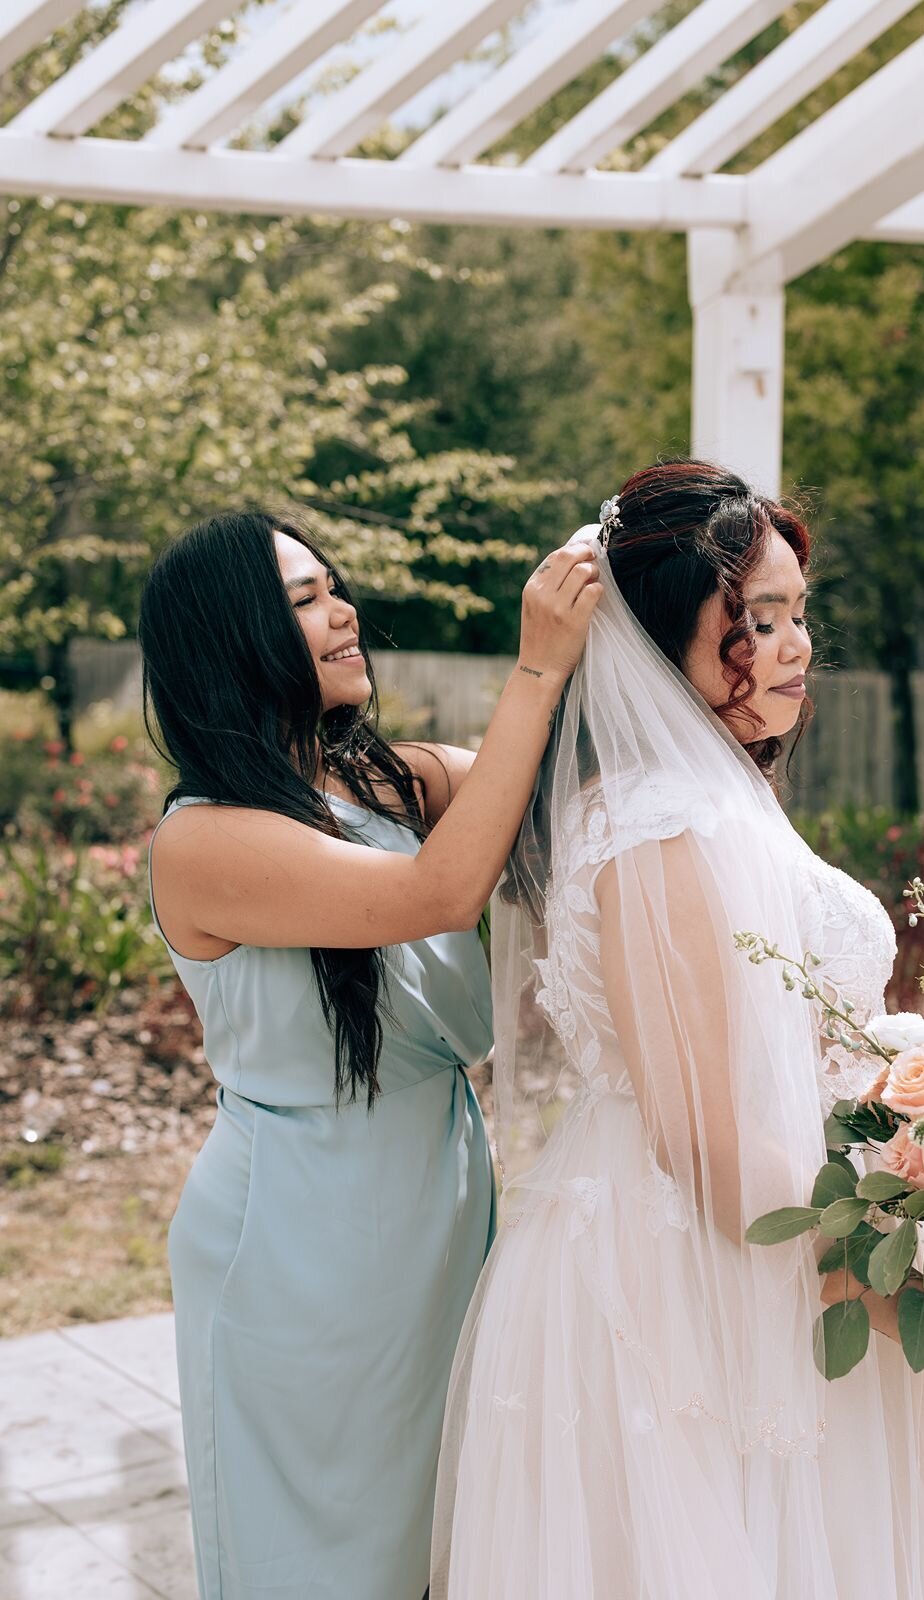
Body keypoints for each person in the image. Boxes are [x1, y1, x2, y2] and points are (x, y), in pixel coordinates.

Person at [431, 461, 924, 1598]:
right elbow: (703, 1141)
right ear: (663, 643)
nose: (791, 646)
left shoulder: (719, 790)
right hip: (692, 1280)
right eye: (754, 621)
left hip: (789, 1250)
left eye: (796, 614)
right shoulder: (658, 825)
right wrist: (916, 1315)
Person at [137, 508, 601, 1600]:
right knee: (316, 1561)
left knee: (444, 1545)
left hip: (439, 1207)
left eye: (331, 586)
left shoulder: (388, 784)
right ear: (231, 638)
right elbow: (434, 893)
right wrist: (534, 663)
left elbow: (546, 786)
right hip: (295, 1246)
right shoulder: (201, 839)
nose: (344, 610)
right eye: (302, 600)